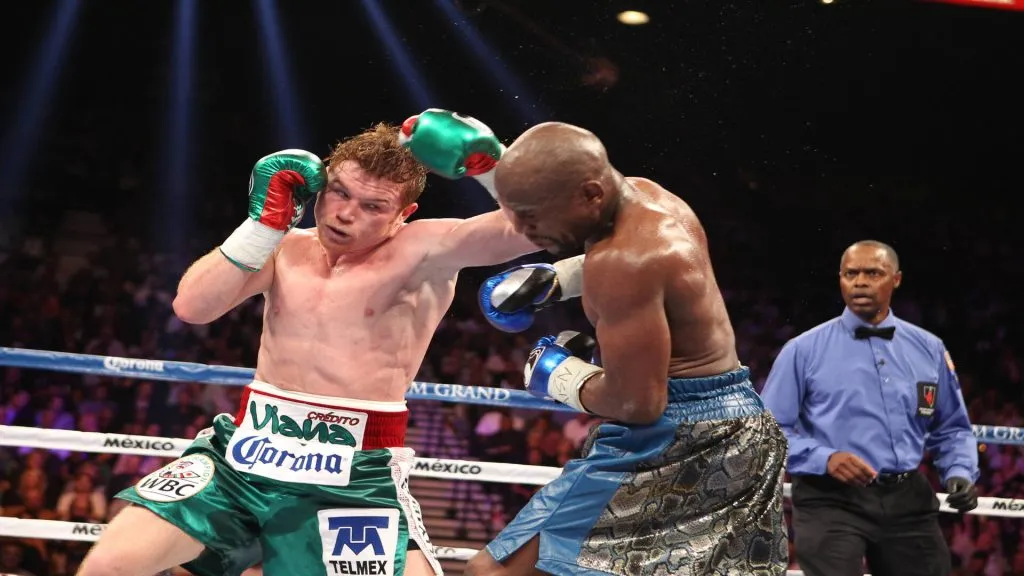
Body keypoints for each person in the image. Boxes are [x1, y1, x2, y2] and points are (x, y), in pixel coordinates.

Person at [77, 110, 573, 576]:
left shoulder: (424, 251)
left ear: (405, 213)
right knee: (109, 564)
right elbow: (192, 306)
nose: (345, 214)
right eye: (338, 192)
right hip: (244, 455)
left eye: (373, 205)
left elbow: (538, 229)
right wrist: (262, 225)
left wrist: (494, 166)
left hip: (354, 474)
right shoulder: (284, 247)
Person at [462, 122, 790, 575]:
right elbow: (627, 260)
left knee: (491, 571)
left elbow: (637, 403)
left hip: (671, 437)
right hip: (739, 427)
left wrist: (559, 375)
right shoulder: (649, 197)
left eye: (532, 218)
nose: (521, 231)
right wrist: (556, 280)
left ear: (591, 194)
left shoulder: (623, 262)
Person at [760, 240, 980, 576]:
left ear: (896, 280)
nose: (860, 281)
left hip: (908, 497)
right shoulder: (802, 350)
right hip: (829, 499)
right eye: (851, 273)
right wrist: (825, 458)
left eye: (873, 273)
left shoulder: (929, 348)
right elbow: (768, 433)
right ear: (840, 279)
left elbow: (951, 427)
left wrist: (960, 472)